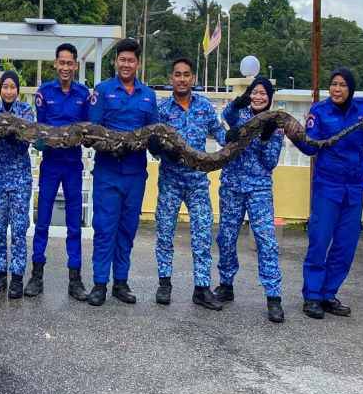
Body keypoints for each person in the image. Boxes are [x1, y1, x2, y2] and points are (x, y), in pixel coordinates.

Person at [295, 68, 363, 319]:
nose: (337, 89)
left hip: (354, 188)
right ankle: (312, 296)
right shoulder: (319, 111)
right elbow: (310, 148)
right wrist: (294, 134)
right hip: (327, 187)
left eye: (342, 85)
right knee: (319, 242)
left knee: (345, 246)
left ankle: (328, 294)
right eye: (333, 84)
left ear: (350, 89)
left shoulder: (362, 107)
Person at [86, 38, 158, 307]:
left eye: (131, 60)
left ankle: (121, 282)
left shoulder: (148, 95)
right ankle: (99, 284)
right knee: (104, 229)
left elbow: (154, 135)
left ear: (138, 64)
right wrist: (112, 146)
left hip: (135, 174)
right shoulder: (103, 91)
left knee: (127, 230)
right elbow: (92, 132)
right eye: (122, 59)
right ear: (116, 62)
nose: (126, 64)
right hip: (107, 172)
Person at [152, 57, 227, 310]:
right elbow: (153, 144)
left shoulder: (204, 106)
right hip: (170, 180)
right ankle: (164, 283)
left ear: (193, 78)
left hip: (197, 182)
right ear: (171, 78)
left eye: (186, 74)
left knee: (202, 235)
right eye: (177, 74)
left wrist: (237, 137)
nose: (182, 79)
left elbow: (220, 134)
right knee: (164, 233)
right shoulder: (162, 110)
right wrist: (162, 149)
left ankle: (202, 288)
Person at [214, 76, 285, 323]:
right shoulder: (241, 114)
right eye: (255, 92)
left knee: (266, 241)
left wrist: (265, 139)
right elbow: (226, 114)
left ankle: (273, 297)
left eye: (263, 93)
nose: (258, 96)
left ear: (269, 98)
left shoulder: (275, 124)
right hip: (232, 187)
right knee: (226, 238)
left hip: (259, 190)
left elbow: (270, 163)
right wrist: (239, 101)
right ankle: (226, 284)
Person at [28, 43, 90, 301]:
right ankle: (36, 275)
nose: (65, 67)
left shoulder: (84, 94)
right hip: (51, 165)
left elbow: (88, 129)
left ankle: (75, 279)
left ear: (75, 65)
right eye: (61, 62)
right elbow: (39, 130)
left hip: (73, 165)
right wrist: (39, 142)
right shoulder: (44, 93)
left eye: (69, 63)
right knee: (42, 221)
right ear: (55, 64)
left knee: (74, 224)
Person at [0, 70, 34, 299]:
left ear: (18, 90)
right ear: (0, 89)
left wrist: (13, 133)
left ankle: (17, 276)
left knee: (19, 229)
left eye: (13, 87)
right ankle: (0, 273)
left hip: (20, 178)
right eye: (5, 86)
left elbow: (25, 144)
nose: (9, 91)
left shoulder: (26, 111)